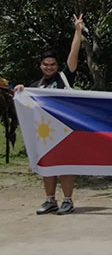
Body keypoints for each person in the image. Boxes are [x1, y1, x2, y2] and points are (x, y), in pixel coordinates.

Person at [14, 14, 84, 215]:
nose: (49, 67)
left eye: (52, 64)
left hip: (66, 131)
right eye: (46, 64)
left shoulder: (64, 77)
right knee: (48, 166)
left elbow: (73, 54)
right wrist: (20, 91)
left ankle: (68, 201)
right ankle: (50, 200)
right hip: (46, 134)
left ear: (57, 66)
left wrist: (78, 31)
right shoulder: (35, 86)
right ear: (41, 66)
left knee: (65, 166)